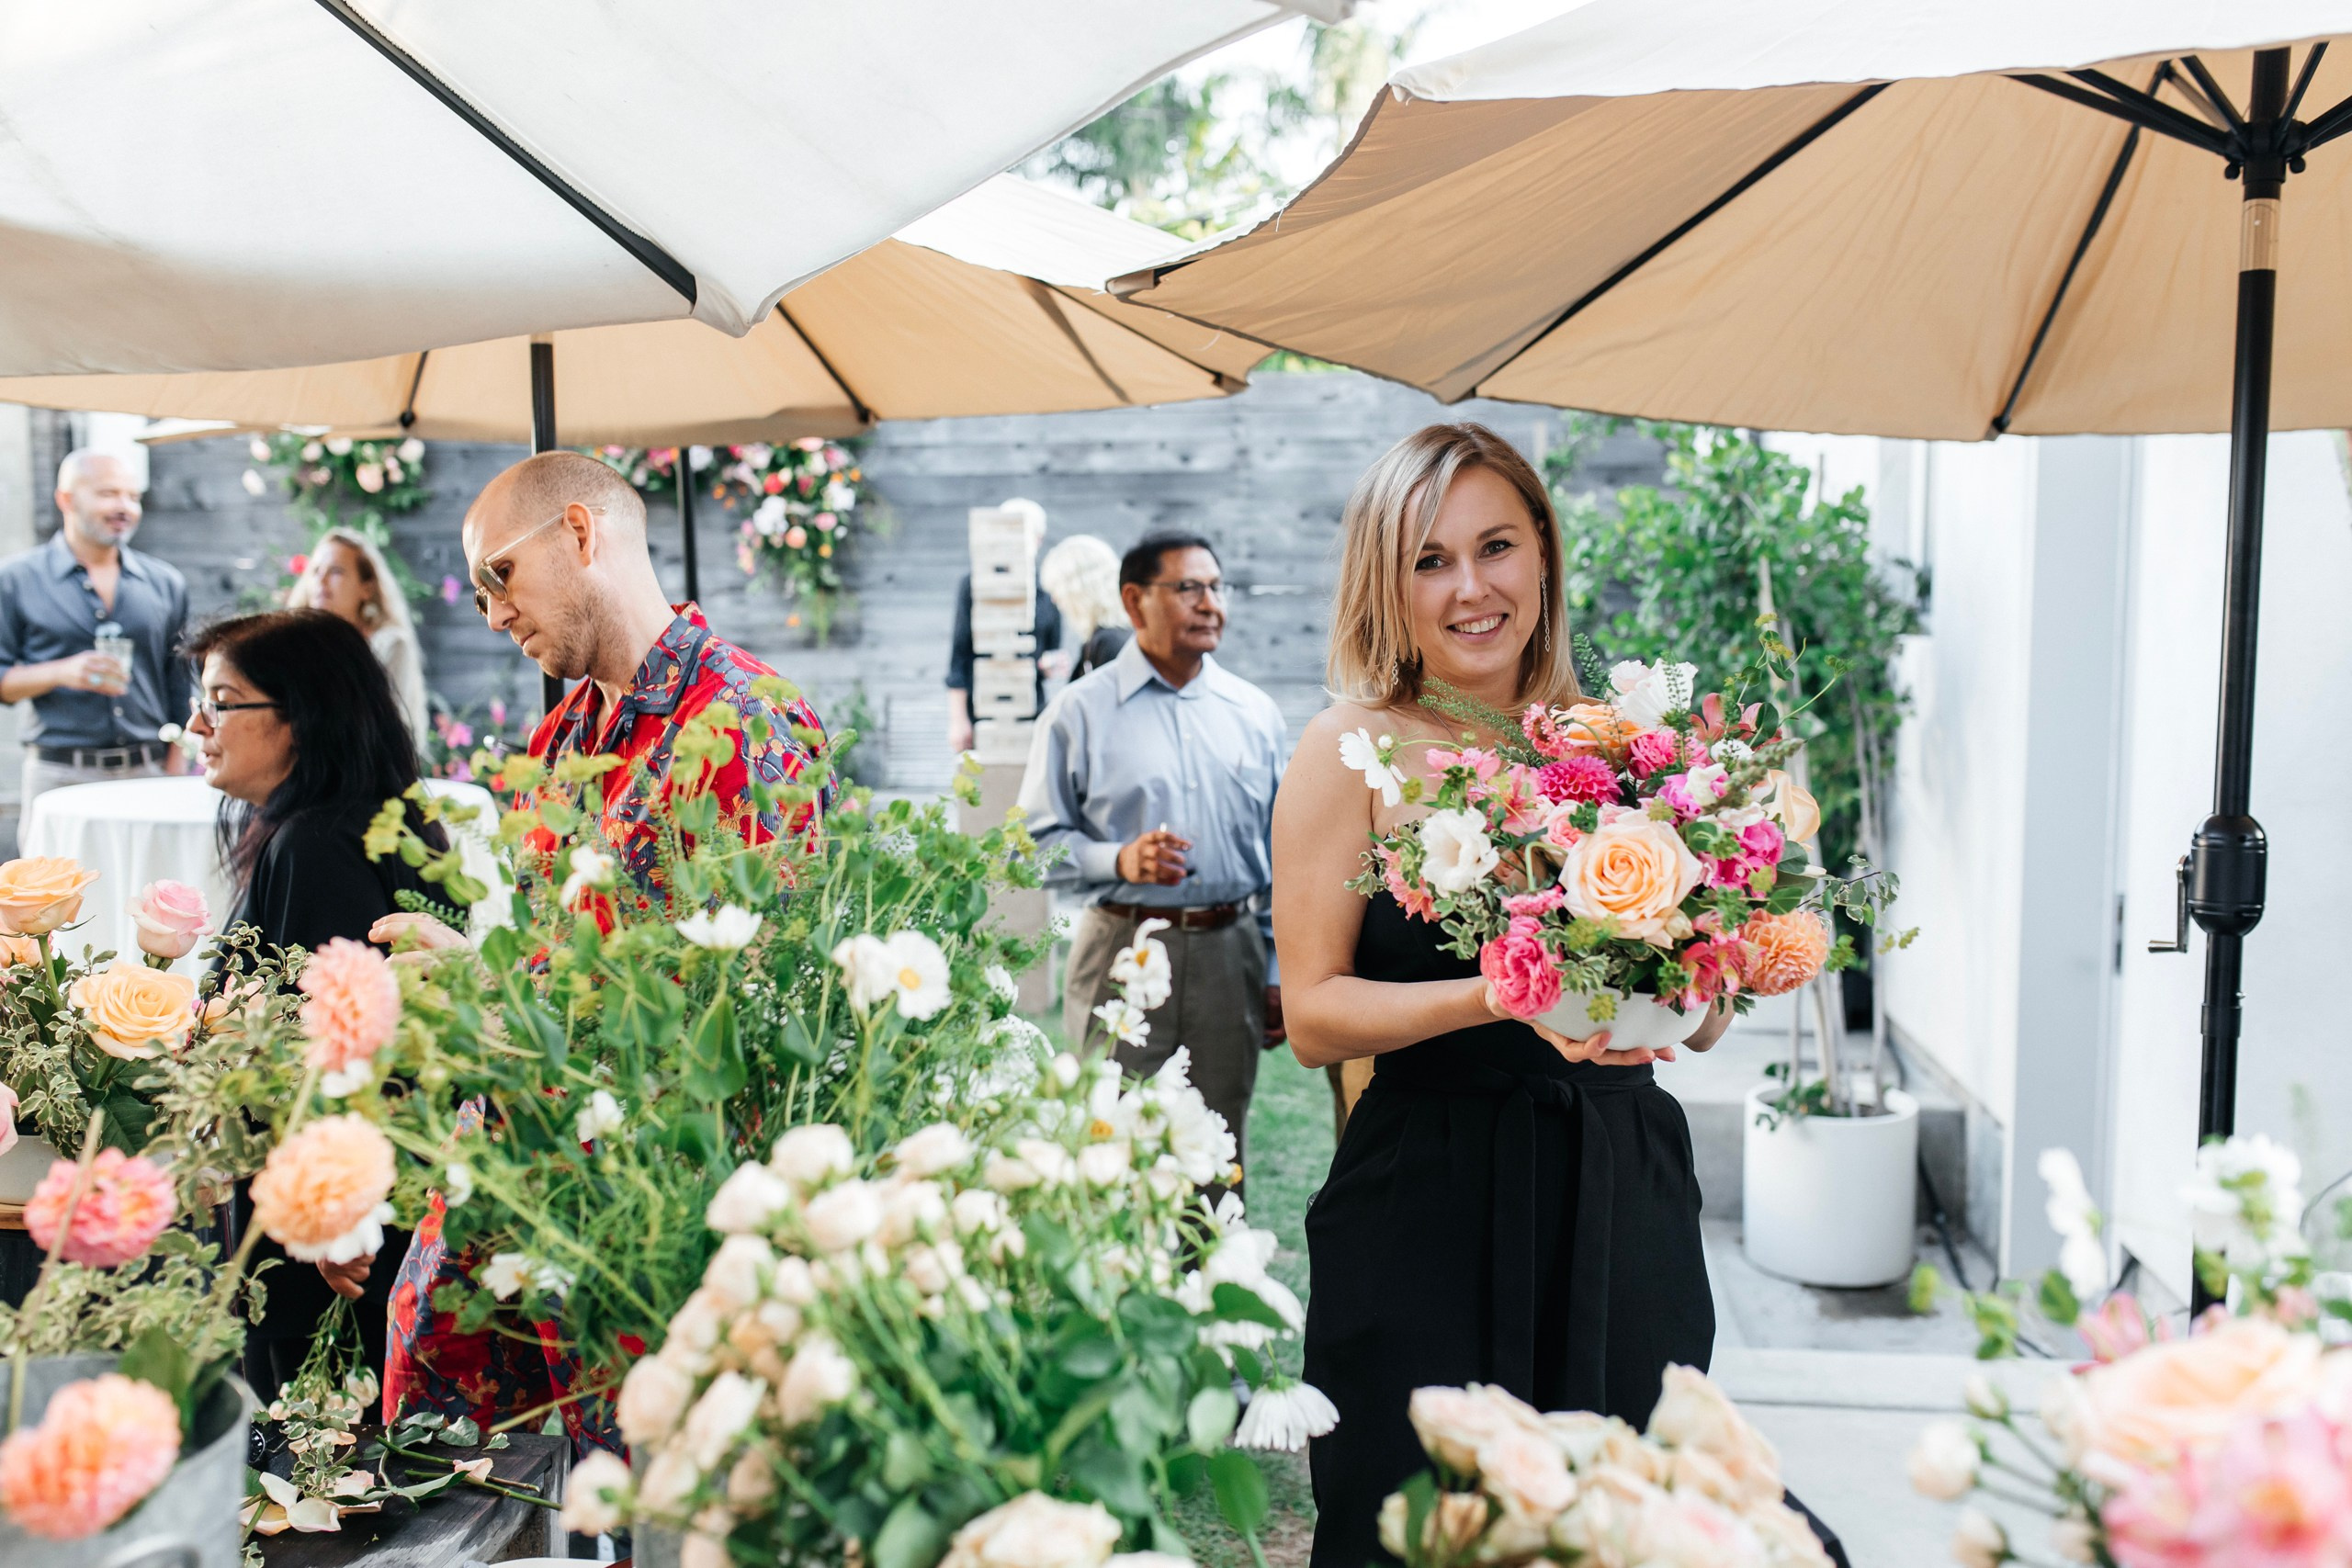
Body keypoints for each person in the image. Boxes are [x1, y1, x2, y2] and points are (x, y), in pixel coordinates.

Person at [1272, 423, 1748, 1568]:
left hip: (1619, 1186)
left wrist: (1702, 980)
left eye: (1495, 545)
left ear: (1542, 550)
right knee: (1419, 1525)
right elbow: (1312, 1016)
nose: (1471, 587)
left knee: (1618, 1516)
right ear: (1384, 583)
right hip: (1427, 1196)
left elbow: (1697, 1000)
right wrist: (1501, 994)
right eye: (1428, 560)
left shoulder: (1626, 750)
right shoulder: (1350, 751)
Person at [371, 448, 831, 1448]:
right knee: (442, 1480)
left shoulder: (747, 722)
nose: (491, 614)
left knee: (624, 1507)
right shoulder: (566, 737)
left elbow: (757, 1008)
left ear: (579, 534)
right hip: (515, 1170)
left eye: (499, 575)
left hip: (644, 1213)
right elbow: (557, 958)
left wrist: (502, 999)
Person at [183, 608, 449, 1402]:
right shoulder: (359, 825)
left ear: (300, 716)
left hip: (329, 1243)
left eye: (222, 701)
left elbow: (347, 1056)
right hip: (347, 1219)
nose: (198, 723)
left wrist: (337, 1224)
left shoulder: (314, 846)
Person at [1020, 530, 1285, 1187]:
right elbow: (1027, 849)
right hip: (1120, 947)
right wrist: (1120, 859)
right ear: (1134, 601)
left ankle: (1216, 1284)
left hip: (1232, 952)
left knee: (1217, 1154)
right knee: (1115, 1153)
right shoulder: (1077, 713)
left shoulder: (1255, 713)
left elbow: (1285, 851)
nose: (1209, 603)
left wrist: (1277, 962)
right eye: (1189, 587)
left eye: (1217, 588)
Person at [0, 450, 189, 809]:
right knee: (55, 870)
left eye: (133, 497)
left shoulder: (167, 583)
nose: (125, 507)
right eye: (108, 494)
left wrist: (176, 765)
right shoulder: (14, 580)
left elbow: (180, 683)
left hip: (148, 774)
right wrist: (60, 672)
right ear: (66, 499)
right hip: (58, 777)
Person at [287, 527, 431, 750]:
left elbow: (389, 735)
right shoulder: (294, 647)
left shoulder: (389, 645)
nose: (321, 580)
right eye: (315, 571)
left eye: (335, 571)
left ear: (367, 588)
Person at [946, 499, 1062, 753]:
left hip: (1029, 709)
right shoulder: (974, 585)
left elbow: (1051, 653)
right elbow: (959, 656)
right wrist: (958, 720)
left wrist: (1049, 665)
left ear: (1038, 540)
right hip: (983, 710)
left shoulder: (1048, 590)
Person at [1039, 534, 1131, 681]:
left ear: (1079, 590)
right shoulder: (1099, 640)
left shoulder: (1109, 643)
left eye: (1058, 590)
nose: (1054, 600)